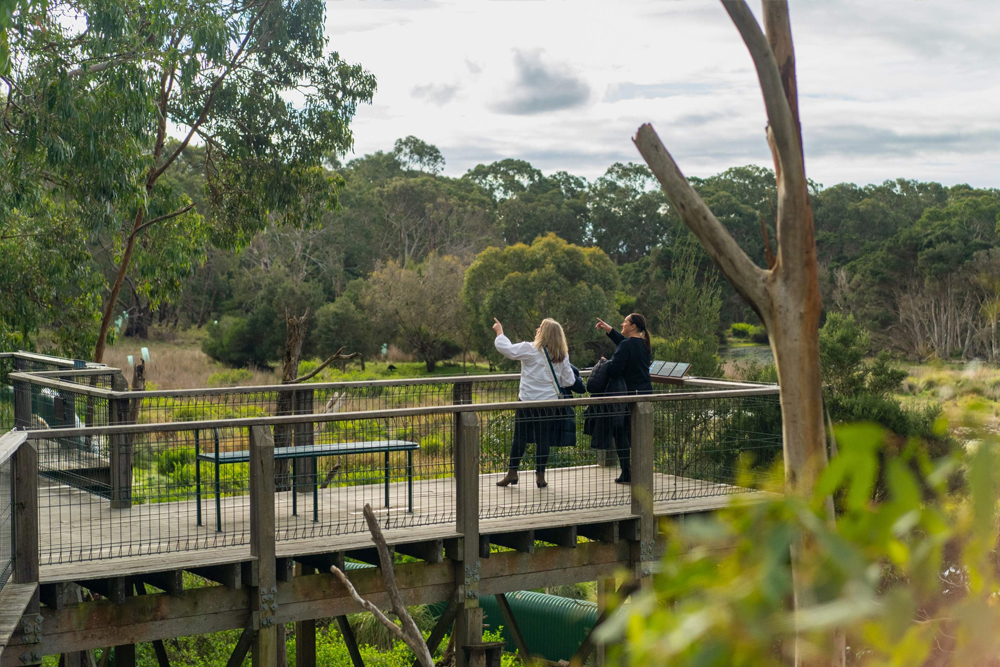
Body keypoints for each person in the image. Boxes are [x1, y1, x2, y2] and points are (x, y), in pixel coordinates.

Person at [492, 317, 576, 489]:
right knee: (543, 438)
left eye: (540, 327)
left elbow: (506, 349)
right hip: (548, 404)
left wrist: (500, 332)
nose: (537, 328)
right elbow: (569, 381)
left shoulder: (529, 349)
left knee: (519, 437)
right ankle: (540, 475)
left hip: (527, 402)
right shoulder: (562, 355)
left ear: (543, 332)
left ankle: (512, 472)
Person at [594, 313, 652, 483]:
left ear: (633, 326)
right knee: (639, 434)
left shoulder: (627, 345)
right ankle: (642, 471)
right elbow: (626, 344)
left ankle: (626, 472)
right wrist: (609, 330)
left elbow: (615, 370)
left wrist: (606, 363)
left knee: (621, 434)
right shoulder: (644, 344)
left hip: (627, 397)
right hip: (644, 394)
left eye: (625, 322)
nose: (622, 323)